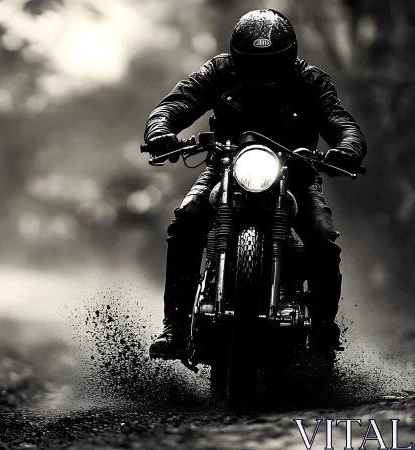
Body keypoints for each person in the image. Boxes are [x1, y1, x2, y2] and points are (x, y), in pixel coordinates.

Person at [142, 9, 367, 359]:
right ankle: (175, 325)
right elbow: (175, 104)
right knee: (186, 221)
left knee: (322, 236)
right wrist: (161, 132)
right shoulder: (218, 72)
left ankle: (324, 329)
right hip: (226, 169)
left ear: (288, 57)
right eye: (252, 63)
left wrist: (346, 150)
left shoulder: (311, 81)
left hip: (297, 174)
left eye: (270, 63)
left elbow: (341, 122)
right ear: (237, 58)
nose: (261, 72)